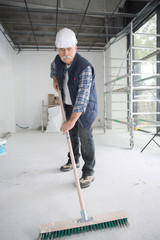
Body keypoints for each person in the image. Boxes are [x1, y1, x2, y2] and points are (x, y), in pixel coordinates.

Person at [50, 28, 97, 188]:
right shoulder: (58, 59)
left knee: (85, 137)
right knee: (72, 135)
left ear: (75, 47)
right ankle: (74, 160)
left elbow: (83, 98)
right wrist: (55, 78)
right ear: (58, 49)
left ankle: (89, 171)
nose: (65, 53)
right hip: (69, 105)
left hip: (84, 109)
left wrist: (71, 120)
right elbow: (53, 67)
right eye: (61, 49)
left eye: (69, 48)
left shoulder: (85, 68)